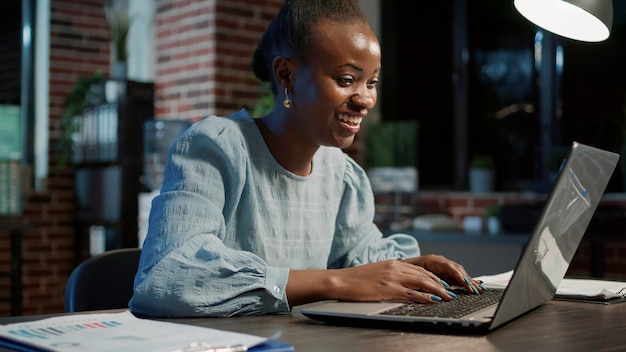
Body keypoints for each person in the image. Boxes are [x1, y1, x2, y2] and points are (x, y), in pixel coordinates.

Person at [129, 0, 483, 318]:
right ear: (286, 75)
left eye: (371, 82)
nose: (365, 100)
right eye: (347, 79)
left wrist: (408, 268)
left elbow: (358, 260)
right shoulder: (216, 147)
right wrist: (337, 283)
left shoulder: (340, 174)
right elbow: (167, 276)